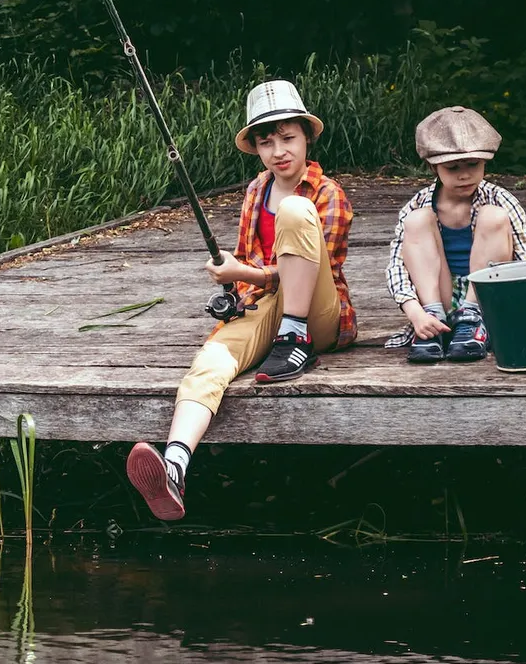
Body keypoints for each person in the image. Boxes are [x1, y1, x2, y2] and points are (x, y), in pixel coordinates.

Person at [125, 80, 356, 521]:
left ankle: (295, 340)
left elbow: (306, 267)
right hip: (267, 303)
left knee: (293, 212)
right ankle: (175, 466)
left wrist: (243, 272)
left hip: (318, 317)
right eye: (266, 143)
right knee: (209, 362)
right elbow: (254, 269)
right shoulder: (256, 191)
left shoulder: (328, 194)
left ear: (307, 138)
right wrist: (234, 283)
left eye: (288, 138)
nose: (278, 151)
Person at [384, 105, 526, 362]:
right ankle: (434, 319)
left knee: (493, 216)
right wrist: (415, 313)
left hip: (488, 300)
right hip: (438, 294)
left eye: (472, 164)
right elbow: (397, 266)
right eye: (453, 168)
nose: (465, 175)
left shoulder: (500, 199)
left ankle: (472, 320)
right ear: (434, 168)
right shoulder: (419, 202)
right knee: (417, 220)